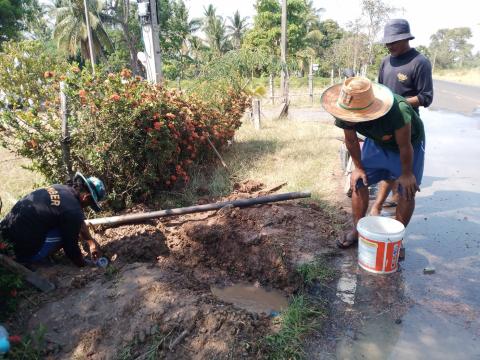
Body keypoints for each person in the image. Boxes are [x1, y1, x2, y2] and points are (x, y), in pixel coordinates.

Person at [320, 77, 425, 248]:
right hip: (377, 141)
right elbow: (351, 141)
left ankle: (395, 241)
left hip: (407, 146)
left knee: (407, 189)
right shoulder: (345, 107)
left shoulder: (398, 110)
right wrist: (358, 168)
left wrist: (406, 174)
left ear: (367, 112)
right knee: (359, 180)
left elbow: (404, 146)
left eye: (351, 118)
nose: (346, 120)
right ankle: (357, 229)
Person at [371, 18, 433, 216]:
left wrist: (399, 103)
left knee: (406, 178)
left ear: (406, 38)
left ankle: (396, 232)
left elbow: (426, 97)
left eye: (394, 42)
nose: (390, 46)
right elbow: (381, 89)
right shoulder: (385, 62)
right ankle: (377, 206)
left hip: (408, 125)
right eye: (387, 42)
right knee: (387, 170)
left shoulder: (420, 62)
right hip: (384, 123)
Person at [0, 172, 106, 267]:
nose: (87, 207)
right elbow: (70, 247)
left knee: (68, 222)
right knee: (66, 232)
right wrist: (83, 263)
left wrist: (91, 243)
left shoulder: (60, 188)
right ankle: (34, 259)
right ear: (85, 197)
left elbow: (77, 220)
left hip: (4, 238)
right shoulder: (72, 210)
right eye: (89, 204)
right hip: (19, 254)